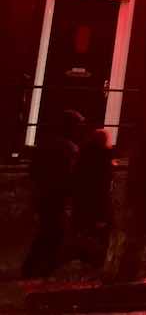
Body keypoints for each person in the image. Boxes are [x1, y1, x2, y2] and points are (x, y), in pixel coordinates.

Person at [23, 109, 83, 278]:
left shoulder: (45, 144)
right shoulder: (70, 149)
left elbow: (33, 170)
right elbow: (73, 176)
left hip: (44, 195)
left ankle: (33, 268)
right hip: (57, 197)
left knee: (47, 231)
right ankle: (40, 270)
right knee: (54, 233)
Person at [72, 128, 114, 269]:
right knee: (99, 235)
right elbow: (103, 185)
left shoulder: (83, 155)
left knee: (83, 232)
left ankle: (83, 261)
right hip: (97, 203)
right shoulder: (103, 159)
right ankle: (95, 264)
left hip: (82, 202)